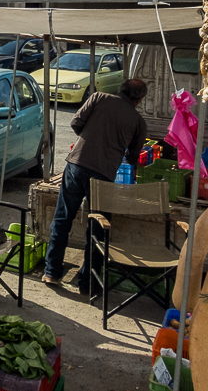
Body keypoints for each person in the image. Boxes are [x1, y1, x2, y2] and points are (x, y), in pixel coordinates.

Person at [42, 77, 149, 292]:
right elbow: (133, 157)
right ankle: (87, 283)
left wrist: (91, 139)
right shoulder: (138, 122)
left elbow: (75, 123)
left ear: (121, 90)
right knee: (97, 228)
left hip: (77, 166)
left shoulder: (99, 97)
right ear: (140, 100)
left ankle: (51, 273)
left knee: (62, 219)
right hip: (103, 176)